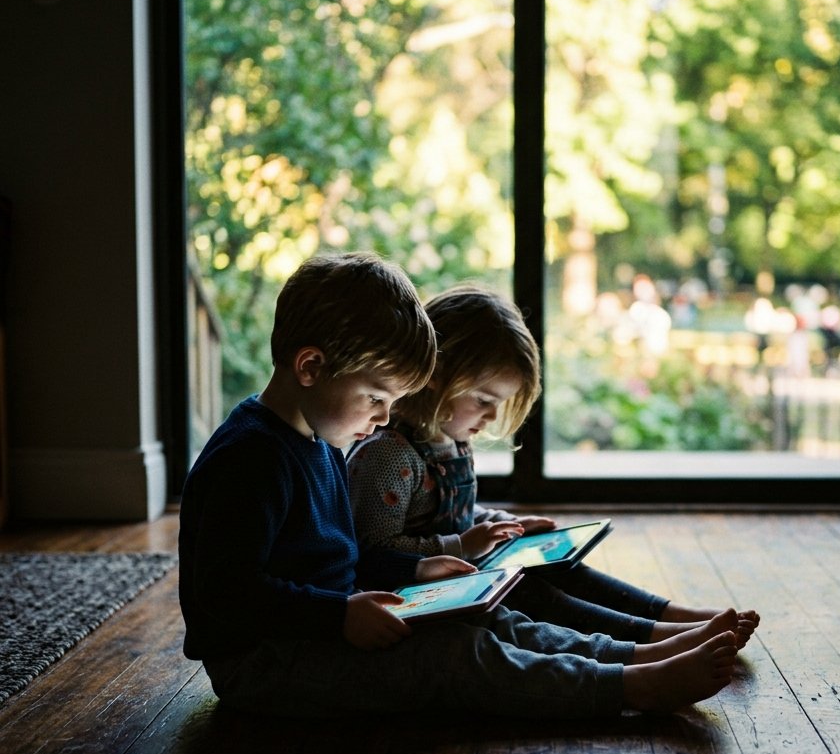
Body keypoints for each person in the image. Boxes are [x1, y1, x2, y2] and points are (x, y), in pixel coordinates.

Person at [178, 252, 739, 720]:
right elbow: (228, 597)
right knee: (456, 656)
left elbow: (346, 557)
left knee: (490, 617)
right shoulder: (250, 459)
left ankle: (627, 659)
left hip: (323, 628)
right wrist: (339, 615)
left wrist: (417, 572)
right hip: (266, 666)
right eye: (377, 398)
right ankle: (626, 689)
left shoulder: (322, 440)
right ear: (310, 367)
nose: (382, 419)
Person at [348, 285, 760, 649]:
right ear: (436, 376)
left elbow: (447, 516)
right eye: (483, 400)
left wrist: (504, 526)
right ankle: (650, 636)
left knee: (564, 568)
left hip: (458, 569)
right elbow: (373, 551)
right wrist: (463, 546)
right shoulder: (389, 454)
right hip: (417, 592)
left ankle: (670, 615)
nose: (490, 417)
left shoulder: (450, 440)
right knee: (531, 590)